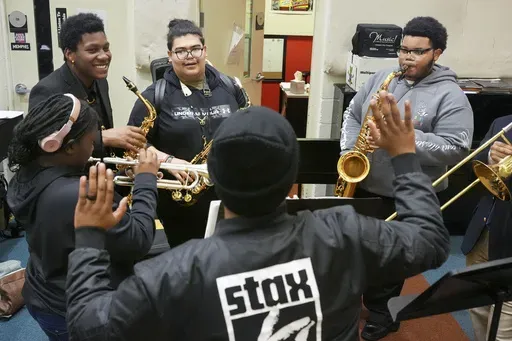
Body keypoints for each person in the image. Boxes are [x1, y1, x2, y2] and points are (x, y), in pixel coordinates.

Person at [65, 99, 450, 341]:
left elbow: (86, 325)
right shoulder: (345, 231)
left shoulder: (173, 271)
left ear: (212, 177)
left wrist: (88, 238)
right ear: (291, 181)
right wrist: (404, 156)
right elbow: (430, 242)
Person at [339, 16, 474, 340]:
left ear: (437, 53)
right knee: (359, 250)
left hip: (410, 193)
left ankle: (385, 315)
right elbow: (352, 114)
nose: (407, 58)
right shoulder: (383, 78)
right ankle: (357, 302)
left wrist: (401, 142)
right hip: (367, 183)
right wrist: (349, 152)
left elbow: (457, 148)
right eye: (403, 50)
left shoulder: (451, 95)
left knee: (392, 259)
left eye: (417, 52)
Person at [6, 93, 160, 340]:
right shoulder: (81, 195)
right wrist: (145, 180)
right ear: (67, 147)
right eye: (91, 140)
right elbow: (139, 239)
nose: (93, 147)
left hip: (45, 290)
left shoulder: (28, 172)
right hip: (79, 306)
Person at [127, 18, 249, 248]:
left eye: (195, 49)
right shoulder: (154, 96)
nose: (189, 56)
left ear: (205, 50)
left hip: (229, 195)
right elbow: (134, 145)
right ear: (170, 55)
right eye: (180, 51)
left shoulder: (230, 87)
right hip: (181, 203)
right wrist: (168, 160)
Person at [28, 12, 146, 158]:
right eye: (92, 50)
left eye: (106, 48)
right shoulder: (47, 90)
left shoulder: (101, 82)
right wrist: (102, 138)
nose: (104, 56)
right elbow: (42, 147)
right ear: (70, 54)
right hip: (66, 178)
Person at [461, 114, 512, 341]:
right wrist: (489, 156)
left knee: (502, 332)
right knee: (478, 310)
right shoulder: (503, 122)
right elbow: (474, 163)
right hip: (483, 232)